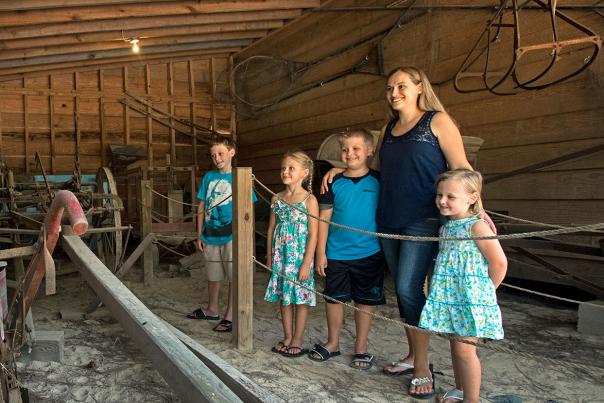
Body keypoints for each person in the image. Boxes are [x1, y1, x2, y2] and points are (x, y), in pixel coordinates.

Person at [322, 66, 493, 399]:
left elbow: (463, 169)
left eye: (401, 86)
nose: (394, 92)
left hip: (423, 219)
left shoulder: (436, 121)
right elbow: (380, 171)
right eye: (389, 88)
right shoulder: (388, 128)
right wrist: (342, 168)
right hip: (389, 220)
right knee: (405, 294)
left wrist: (477, 212)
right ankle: (415, 354)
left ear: (418, 88)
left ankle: (422, 368)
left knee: (409, 288)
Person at [419, 169, 506, 403]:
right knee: (455, 346)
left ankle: (472, 400)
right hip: (452, 297)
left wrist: (487, 292)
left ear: (472, 198)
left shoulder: (476, 227)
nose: (442, 201)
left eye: (450, 196)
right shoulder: (446, 227)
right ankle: (460, 389)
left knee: (465, 350)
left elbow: (499, 262)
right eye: (440, 195)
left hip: (470, 301)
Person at [309, 129, 385, 370]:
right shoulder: (332, 181)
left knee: (365, 301)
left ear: (369, 151)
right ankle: (333, 343)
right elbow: (324, 219)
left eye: (356, 149)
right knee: (334, 299)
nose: (349, 154)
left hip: (369, 253)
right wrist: (320, 253)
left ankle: (361, 348)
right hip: (336, 253)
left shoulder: (379, 181)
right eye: (345, 150)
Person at [188, 137, 257, 332]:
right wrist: (199, 233)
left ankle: (230, 314)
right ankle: (212, 308)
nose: (217, 158)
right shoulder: (209, 177)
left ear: (232, 152)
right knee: (213, 273)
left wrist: (245, 237)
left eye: (220, 154)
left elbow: (248, 208)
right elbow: (201, 205)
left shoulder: (240, 177)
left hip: (232, 235)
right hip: (210, 234)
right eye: (213, 155)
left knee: (234, 275)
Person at [264, 151, 319, 358]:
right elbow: (271, 229)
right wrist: (270, 257)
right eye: (283, 168)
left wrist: (307, 264)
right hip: (281, 256)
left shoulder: (309, 200)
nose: (285, 171)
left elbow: (314, 234)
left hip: (299, 257)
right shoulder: (276, 198)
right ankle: (287, 336)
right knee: (284, 296)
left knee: (300, 298)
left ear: (304, 173)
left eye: (291, 168)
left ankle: (298, 339)